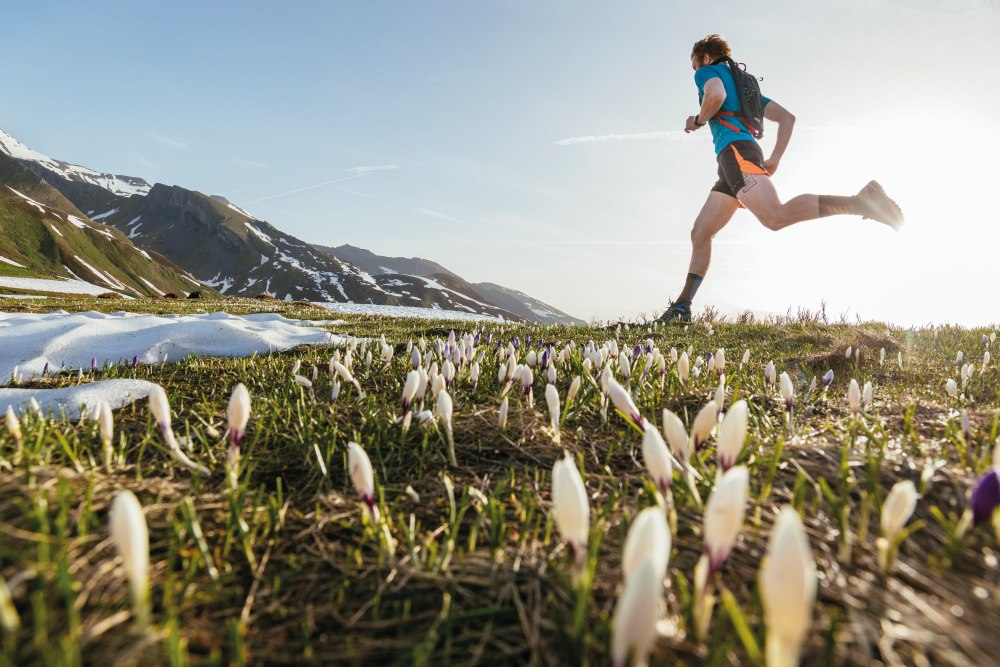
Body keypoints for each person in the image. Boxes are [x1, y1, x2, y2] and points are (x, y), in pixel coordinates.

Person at [658, 34, 903, 323]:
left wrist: (698, 121)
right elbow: (788, 118)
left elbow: (715, 95)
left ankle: (861, 203)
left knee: (775, 217)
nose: (693, 69)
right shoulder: (743, 85)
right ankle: (682, 308)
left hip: (734, 153)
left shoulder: (708, 72)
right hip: (734, 159)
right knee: (701, 231)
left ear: (706, 57)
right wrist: (774, 158)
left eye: (694, 63)